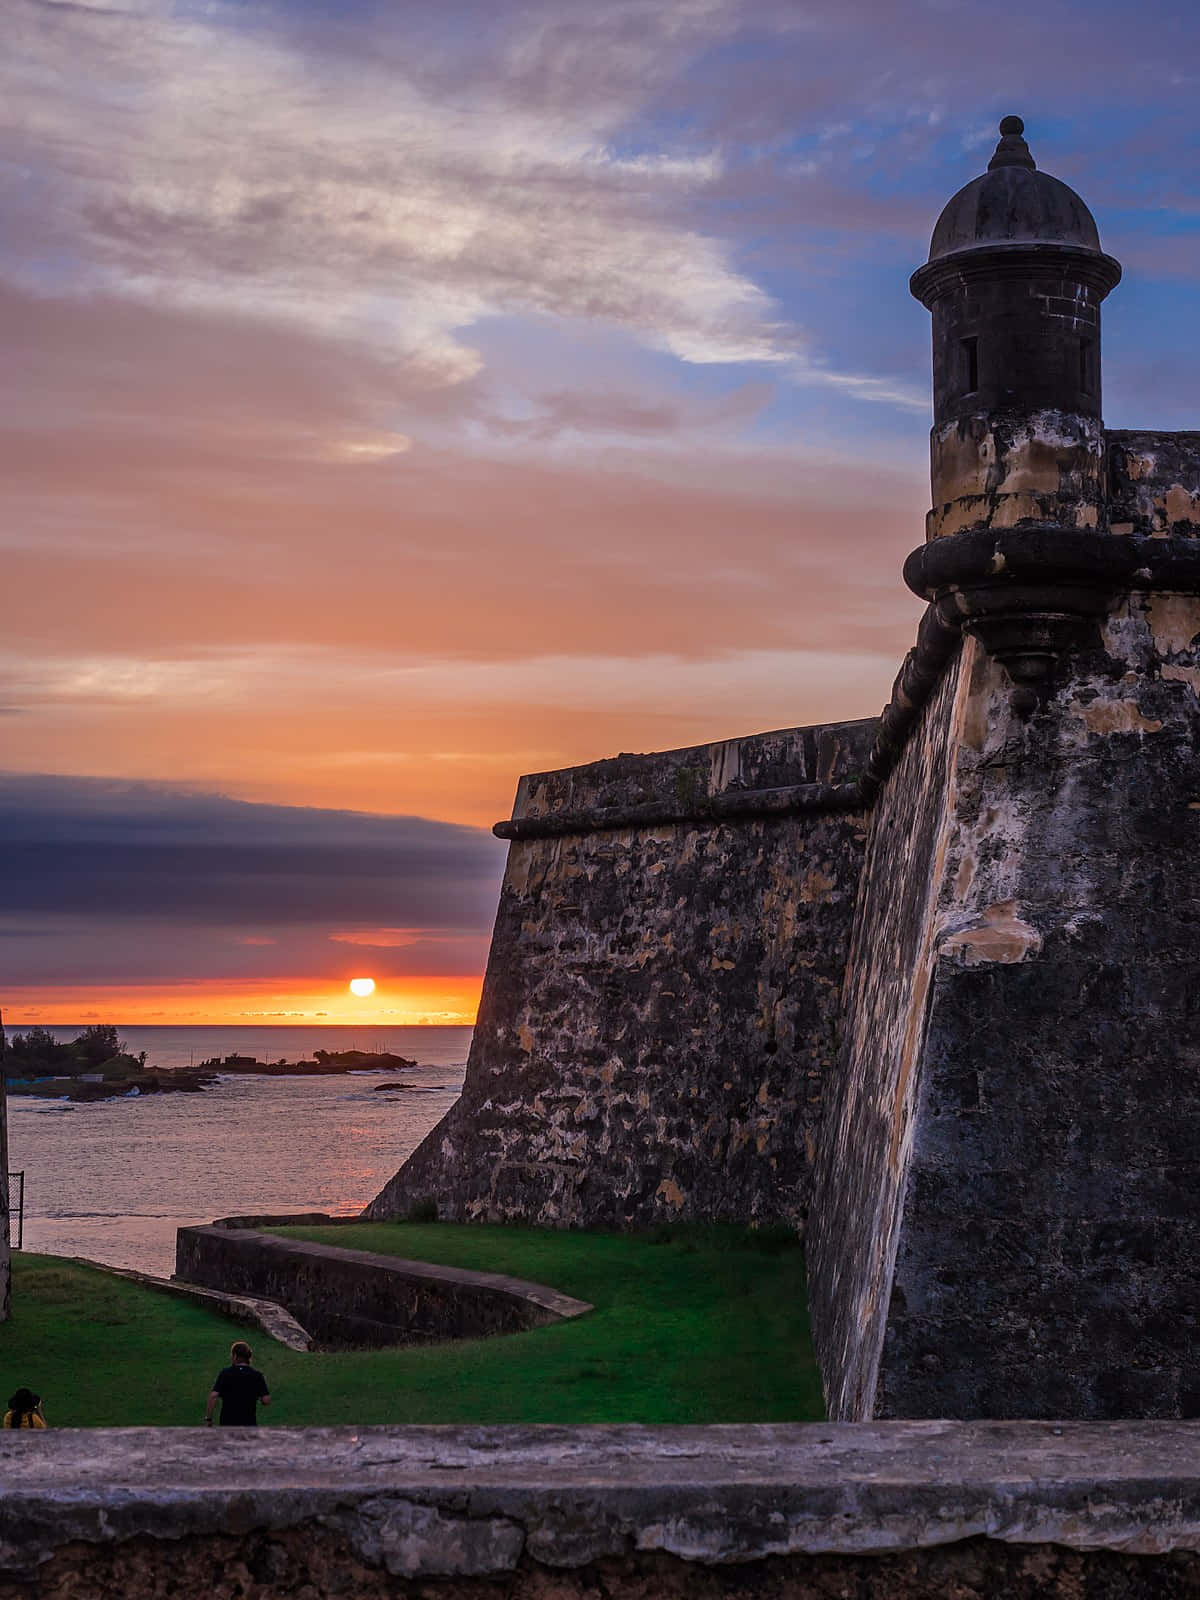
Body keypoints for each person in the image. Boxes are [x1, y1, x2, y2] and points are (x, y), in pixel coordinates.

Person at [205, 1341, 270, 1427]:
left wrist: (208, 1419)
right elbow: (266, 1400)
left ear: (235, 1356)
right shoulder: (257, 1375)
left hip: (227, 1423)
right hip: (249, 1423)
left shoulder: (225, 1373)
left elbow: (213, 1396)